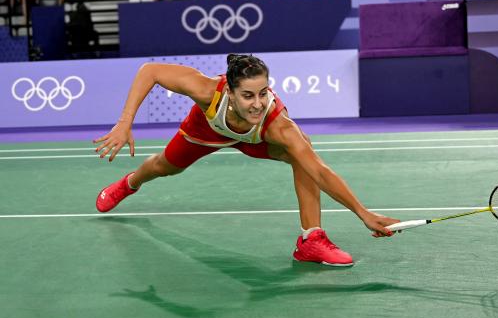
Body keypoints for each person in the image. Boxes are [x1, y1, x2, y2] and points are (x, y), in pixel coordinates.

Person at [94, 54, 400, 267]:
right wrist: (124, 123)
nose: (257, 103)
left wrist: (362, 212)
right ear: (230, 91)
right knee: (164, 166)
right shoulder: (206, 91)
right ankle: (129, 183)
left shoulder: (277, 122)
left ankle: (311, 240)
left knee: (302, 151)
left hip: (256, 139)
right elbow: (150, 71)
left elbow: (318, 170)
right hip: (206, 130)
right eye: (248, 95)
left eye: (263, 93)